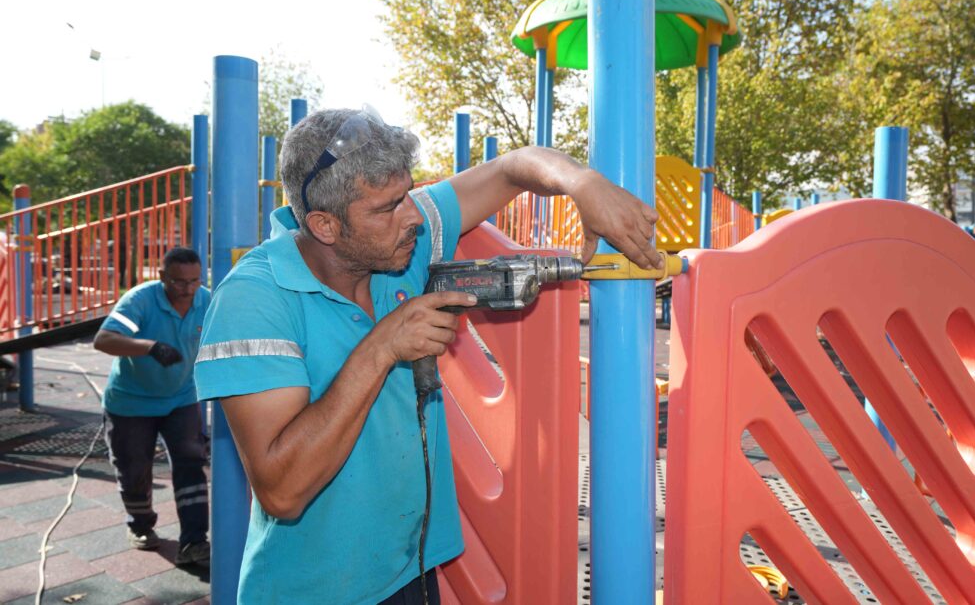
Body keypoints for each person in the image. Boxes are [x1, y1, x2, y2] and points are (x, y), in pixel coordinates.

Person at [194, 107, 661, 604]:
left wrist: (583, 184)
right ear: (324, 225)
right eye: (387, 208)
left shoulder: (401, 244)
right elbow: (282, 491)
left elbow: (513, 167)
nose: (413, 215)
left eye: (407, 195)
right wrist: (381, 347)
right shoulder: (252, 299)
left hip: (407, 572)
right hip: (310, 589)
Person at [94, 247, 211, 567]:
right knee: (134, 469)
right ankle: (141, 524)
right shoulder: (140, 300)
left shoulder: (206, 301)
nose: (187, 289)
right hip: (131, 401)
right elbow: (103, 340)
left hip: (181, 399)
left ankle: (195, 541)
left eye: (194, 281)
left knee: (191, 464)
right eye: (178, 282)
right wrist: (149, 347)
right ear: (162, 277)